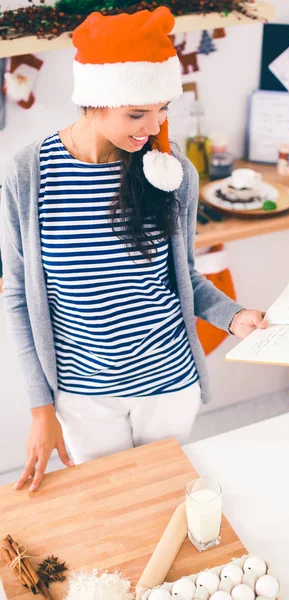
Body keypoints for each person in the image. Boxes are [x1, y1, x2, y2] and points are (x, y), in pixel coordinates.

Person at [0, 6, 267, 493]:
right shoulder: (28, 174)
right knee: (110, 507)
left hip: (169, 383)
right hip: (85, 397)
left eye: (163, 108)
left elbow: (183, 275)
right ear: (96, 100)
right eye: (137, 113)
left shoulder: (170, 169)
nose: (153, 126)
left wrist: (233, 315)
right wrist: (41, 410)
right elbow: (17, 297)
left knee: (164, 501)